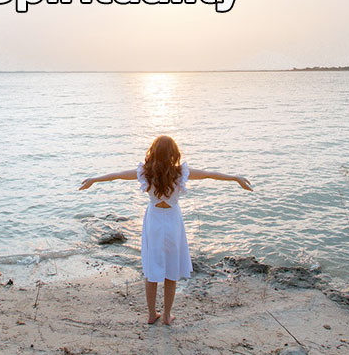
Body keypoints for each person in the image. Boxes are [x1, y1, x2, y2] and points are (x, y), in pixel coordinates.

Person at [78, 135, 253, 325]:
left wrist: (94, 180)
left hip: (153, 221)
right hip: (172, 221)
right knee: (172, 268)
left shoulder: (145, 173)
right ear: (173, 153)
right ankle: (167, 315)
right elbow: (209, 174)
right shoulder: (180, 173)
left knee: (152, 268)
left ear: (153, 152)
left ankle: (152, 314)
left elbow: (118, 175)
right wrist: (235, 178)